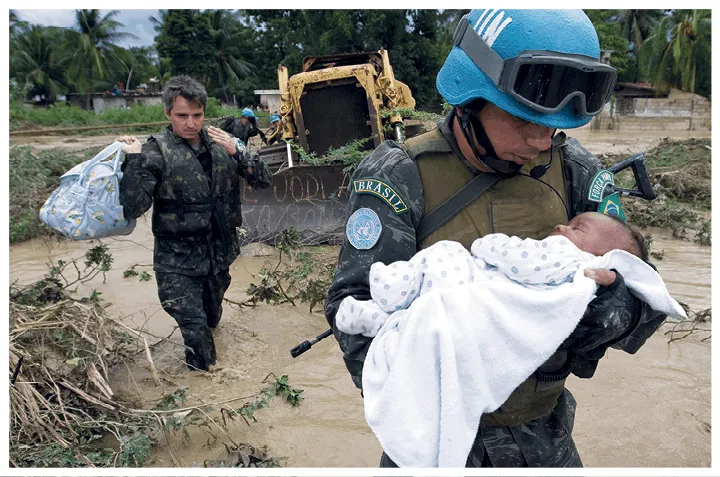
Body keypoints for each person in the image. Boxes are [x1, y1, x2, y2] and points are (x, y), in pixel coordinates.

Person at [325, 9, 667, 468]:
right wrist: (424, 385)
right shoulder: (399, 173)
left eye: (552, 126)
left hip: (546, 441)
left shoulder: (578, 171)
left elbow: (643, 290)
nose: (542, 141)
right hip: (435, 439)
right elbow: (351, 306)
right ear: (471, 100)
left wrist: (601, 313)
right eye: (524, 121)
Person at [116, 75, 272, 371]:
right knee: (197, 335)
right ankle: (207, 390)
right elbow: (135, 207)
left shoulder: (220, 143)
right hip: (177, 263)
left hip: (217, 257)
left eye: (197, 115)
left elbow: (264, 180)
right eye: (182, 115)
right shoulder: (154, 152)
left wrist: (237, 151)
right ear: (167, 114)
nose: (191, 123)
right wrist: (133, 160)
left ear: (204, 112)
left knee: (212, 319)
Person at [336, 212, 650, 337]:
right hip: (433, 419)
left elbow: (642, 292)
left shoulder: (573, 166)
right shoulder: (403, 168)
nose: (539, 140)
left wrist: (608, 302)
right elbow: (345, 296)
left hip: (542, 433)